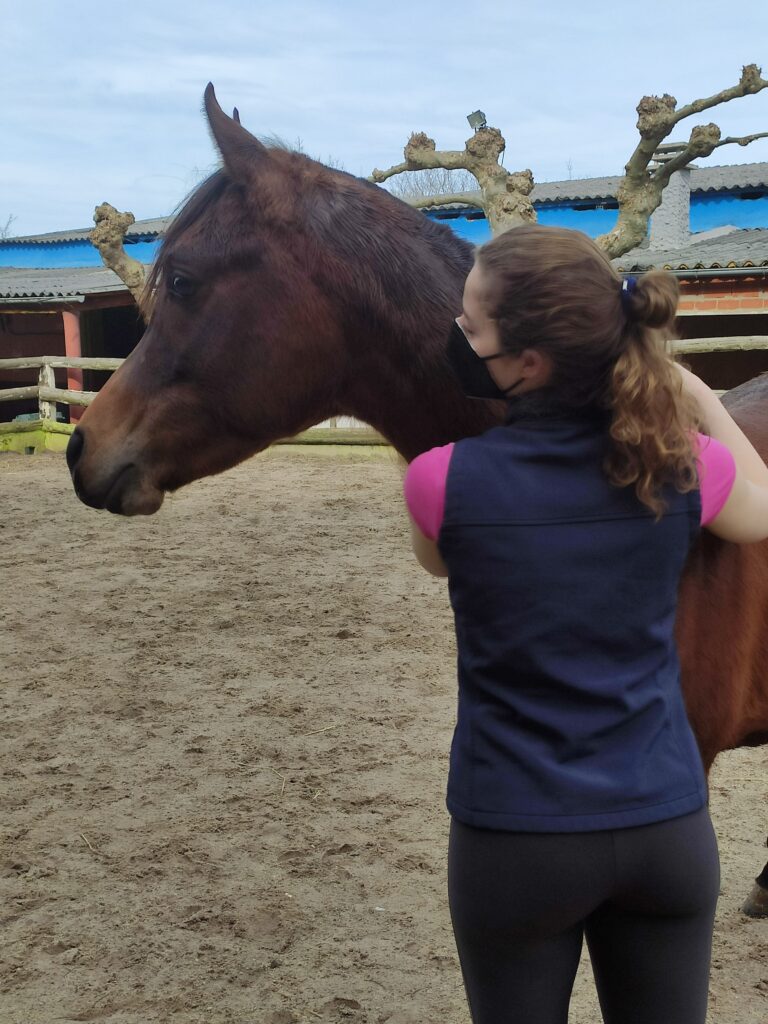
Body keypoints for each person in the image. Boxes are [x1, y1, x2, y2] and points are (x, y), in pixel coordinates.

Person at [402, 225, 768, 1024]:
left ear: (528, 363)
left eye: (472, 325)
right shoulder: (683, 464)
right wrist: (698, 397)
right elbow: (764, 510)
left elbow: (439, 562)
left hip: (514, 839)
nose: (458, 335)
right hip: (665, 827)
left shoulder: (440, 482)